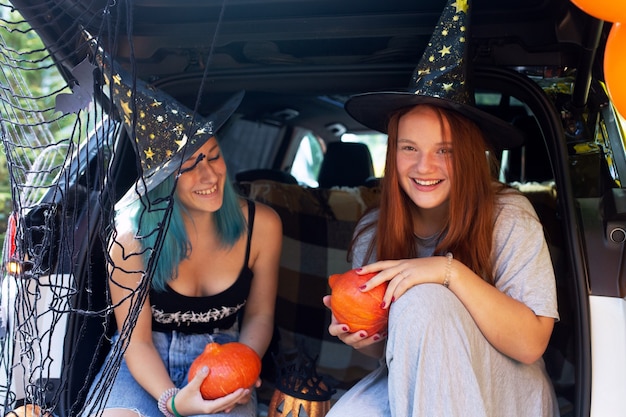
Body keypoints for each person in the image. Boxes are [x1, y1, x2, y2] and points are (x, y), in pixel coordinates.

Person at [322, 0, 559, 416]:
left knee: (425, 298)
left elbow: (531, 344)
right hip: (430, 390)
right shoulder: (374, 230)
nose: (424, 167)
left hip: (507, 387)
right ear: (392, 154)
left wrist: (446, 272)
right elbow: (405, 359)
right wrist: (367, 337)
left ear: (467, 156)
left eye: (443, 151)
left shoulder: (508, 215)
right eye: (409, 148)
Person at [84, 50, 282, 417]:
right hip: (144, 362)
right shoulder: (130, 240)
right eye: (188, 166)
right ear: (160, 181)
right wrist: (172, 402)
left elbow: (259, 318)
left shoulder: (262, 225)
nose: (209, 176)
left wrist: (244, 365)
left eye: (213, 156)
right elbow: (136, 341)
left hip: (225, 353)